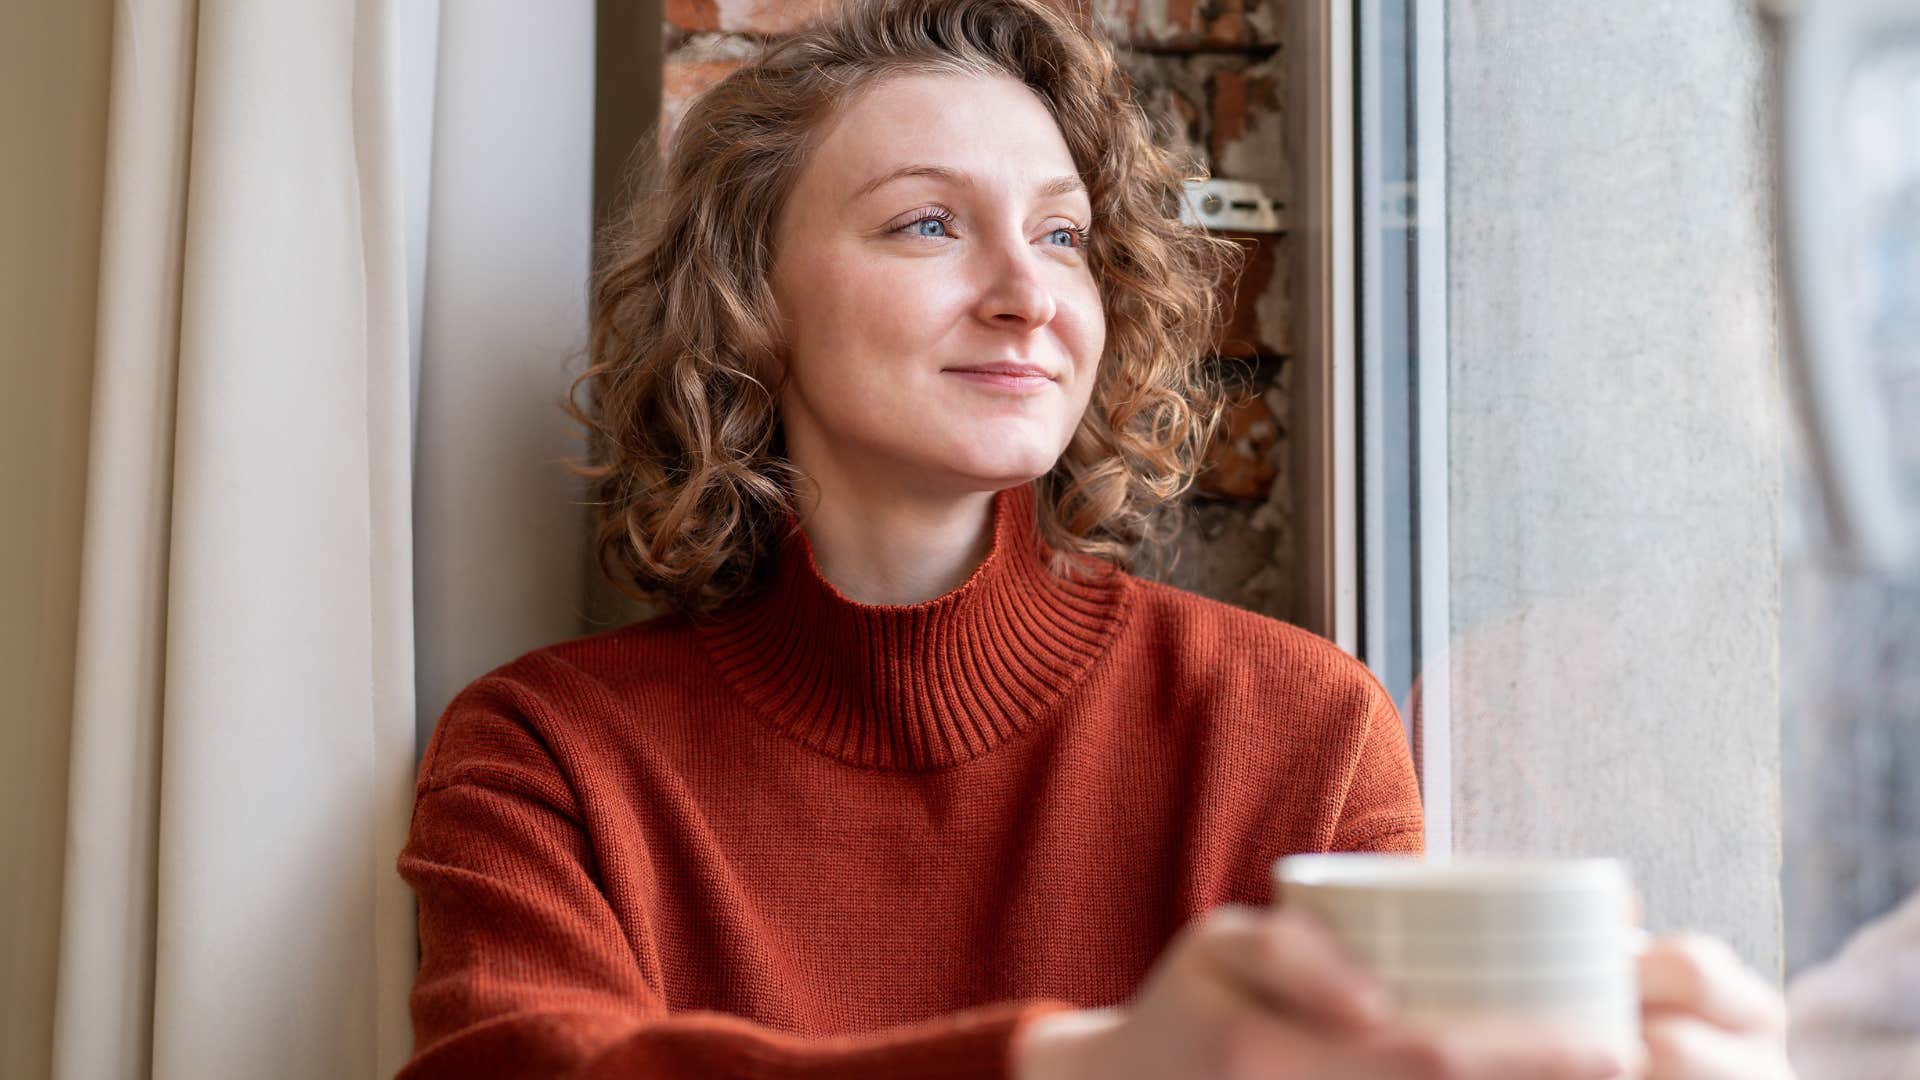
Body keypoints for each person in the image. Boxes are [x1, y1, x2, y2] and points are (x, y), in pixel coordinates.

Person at [391, 0, 1792, 1076]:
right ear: (748, 299)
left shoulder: (1295, 727)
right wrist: (1092, 1061)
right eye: (927, 224)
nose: (1027, 294)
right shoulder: (546, 755)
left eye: (1062, 238)